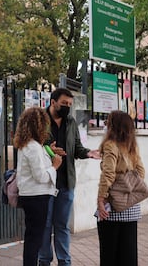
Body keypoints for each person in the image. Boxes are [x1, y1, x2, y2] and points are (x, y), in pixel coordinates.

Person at [38, 88, 100, 266]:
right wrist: (49, 150)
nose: (67, 107)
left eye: (70, 105)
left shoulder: (71, 122)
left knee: (62, 226)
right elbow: (31, 145)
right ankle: (44, 260)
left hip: (66, 183)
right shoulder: (39, 120)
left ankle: (65, 262)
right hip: (44, 182)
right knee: (45, 225)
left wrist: (88, 153)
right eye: (64, 103)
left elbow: (77, 148)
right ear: (53, 102)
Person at [13, 106, 62, 266]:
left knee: (32, 238)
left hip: (33, 196)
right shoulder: (33, 146)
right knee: (35, 239)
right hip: (36, 197)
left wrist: (48, 152)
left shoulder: (30, 145)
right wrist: (54, 166)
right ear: (38, 125)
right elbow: (40, 175)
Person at [96, 110, 145, 266]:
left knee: (109, 253)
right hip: (131, 207)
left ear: (113, 126)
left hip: (112, 206)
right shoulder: (132, 146)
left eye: (108, 122)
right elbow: (141, 172)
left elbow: (108, 174)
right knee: (129, 254)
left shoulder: (110, 145)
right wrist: (127, 185)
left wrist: (100, 200)